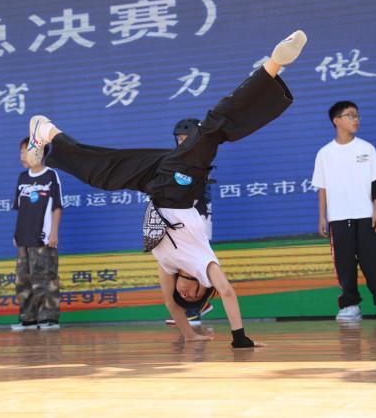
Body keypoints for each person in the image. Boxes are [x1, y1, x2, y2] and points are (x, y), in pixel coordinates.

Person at [26, 30, 307, 347]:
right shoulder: (204, 264)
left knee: (102, 174)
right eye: (195, 296)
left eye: (185, 296)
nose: (187, 294)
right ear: (204, 287)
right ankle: (274, 64)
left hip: (157, 183)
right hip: (180, 183)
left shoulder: (169, 266)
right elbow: (227, 292)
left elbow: (170, 303)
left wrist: (190, 335)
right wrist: (239, 338)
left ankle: (47, 132)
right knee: (215, 127)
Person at [312, 101, 376, 322]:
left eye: (357, 115)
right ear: (336, 120)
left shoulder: (367, 148)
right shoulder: (324, 153)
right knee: (344, 264)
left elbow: (375, 182)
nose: (356, 119)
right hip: (339, 218)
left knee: (374, 261)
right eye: (350, 115)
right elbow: (322, 188)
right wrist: (322, 216)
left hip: (367, 216)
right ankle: (350, 305)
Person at [164, 118, 214, 327]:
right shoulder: (176, 158)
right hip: (179, 217)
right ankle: (198, 306)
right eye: (179, 138)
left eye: (186, 138)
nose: (181, 141)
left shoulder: (198, 158)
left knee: (193, 263)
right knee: (178, 263)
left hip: (196, 216)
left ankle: (194, 310)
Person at [10, 137, 63, 331]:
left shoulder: (50, 176)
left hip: (43, 237)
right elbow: (20, 208)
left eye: (26, 152)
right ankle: (28, 318)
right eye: (21, 152)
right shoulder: (22, 178)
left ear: (39, 153)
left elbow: (57, 206)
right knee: (23, 279)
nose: (22, 156)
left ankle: (48, 318)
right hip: (23, 237)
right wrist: (16, 234)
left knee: (45, 277)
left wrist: (53, 232)